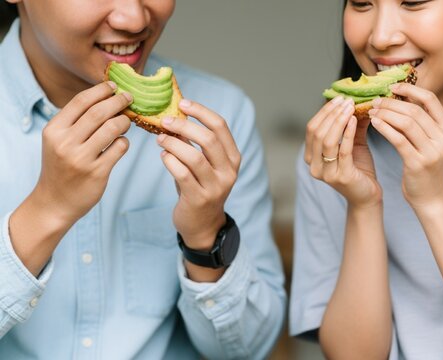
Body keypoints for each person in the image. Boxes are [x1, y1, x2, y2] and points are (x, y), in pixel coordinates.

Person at [0, 1, 286, 359]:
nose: (135, 18)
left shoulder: (220, 116)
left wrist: (205, 236)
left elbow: (247, 350)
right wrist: (47, 210)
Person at [290, 0, 443, 358]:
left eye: (413, 2)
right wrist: (363, 204)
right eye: (362, 3)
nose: (380, 36)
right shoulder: (332, 155)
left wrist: (434, 202)